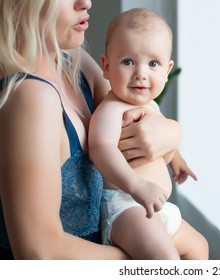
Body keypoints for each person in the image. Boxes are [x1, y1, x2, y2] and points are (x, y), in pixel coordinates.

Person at [0, 0, 182, 260]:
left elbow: (129, 114)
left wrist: (173, 133)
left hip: (134, 231)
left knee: (200, 248)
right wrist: (149, 260)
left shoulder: (74, 62)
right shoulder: (29, 96)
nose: (86, 2)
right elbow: (39, 252)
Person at [88, 8, 208, 260]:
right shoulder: (111, 109)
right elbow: (101, 149)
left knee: (199, 247)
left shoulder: (150, 106)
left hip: (157, 207)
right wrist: (137, 185)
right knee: (166, 261)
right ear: (107, 67)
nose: (141, 73)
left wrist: (177, 160)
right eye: (128, 61)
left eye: (153, 63)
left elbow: (161, 141)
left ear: (167, 70)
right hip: (127, 206)